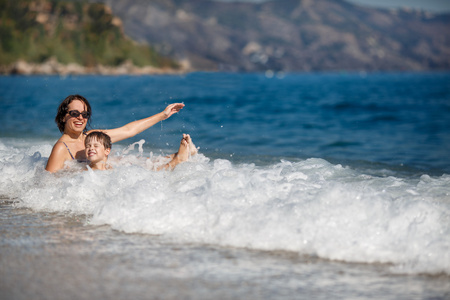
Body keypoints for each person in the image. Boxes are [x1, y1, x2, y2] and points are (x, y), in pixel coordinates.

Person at [46, 94, 186, 172]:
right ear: (64, 116)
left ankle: (177, 156)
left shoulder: (91, 137)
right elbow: (47, 184)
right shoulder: (61, 148)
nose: (80, 118)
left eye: (85, 114)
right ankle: (177, 160)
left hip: (106, 171)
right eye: (74, 113)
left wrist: (163, 115)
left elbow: (129, 130)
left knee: (142, 164)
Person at [84, 131, 193, 171]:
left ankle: (179, 155)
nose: (91, 148)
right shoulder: (85, 172)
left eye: (95, 145)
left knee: (150, 166)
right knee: (152, 173)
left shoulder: (112, 166)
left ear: (107, 151)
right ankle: (177, 160)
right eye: (88, 146)